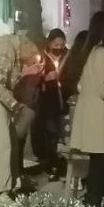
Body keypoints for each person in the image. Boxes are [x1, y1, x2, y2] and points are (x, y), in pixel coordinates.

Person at [0, 33, 42, 202]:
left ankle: (10, 186)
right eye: (32, 56)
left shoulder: (13, 49)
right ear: (25, 45)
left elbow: (8, 80)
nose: (31, 60)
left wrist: (26, 72)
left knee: (11, 142)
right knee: (2, 145)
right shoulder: (6, 49)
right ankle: (0, 193)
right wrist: (14, 104)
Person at [70, 12, 104, 207]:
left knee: (95, 170)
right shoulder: (102, 53)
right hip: (100, 121)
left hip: (91, 119)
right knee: (99, 173)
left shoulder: (90, 51)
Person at [33, 29, 68, 180]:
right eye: (56, 44)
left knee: (66, 135)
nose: (59, 48)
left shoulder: (69, 56)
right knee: (52, 134)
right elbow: (33, 78)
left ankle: (67, 165)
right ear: (49, 43)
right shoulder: (42, 58)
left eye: (61, 45)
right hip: (49, 103)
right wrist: (45, 79)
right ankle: (53, 165)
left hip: (66, 101)